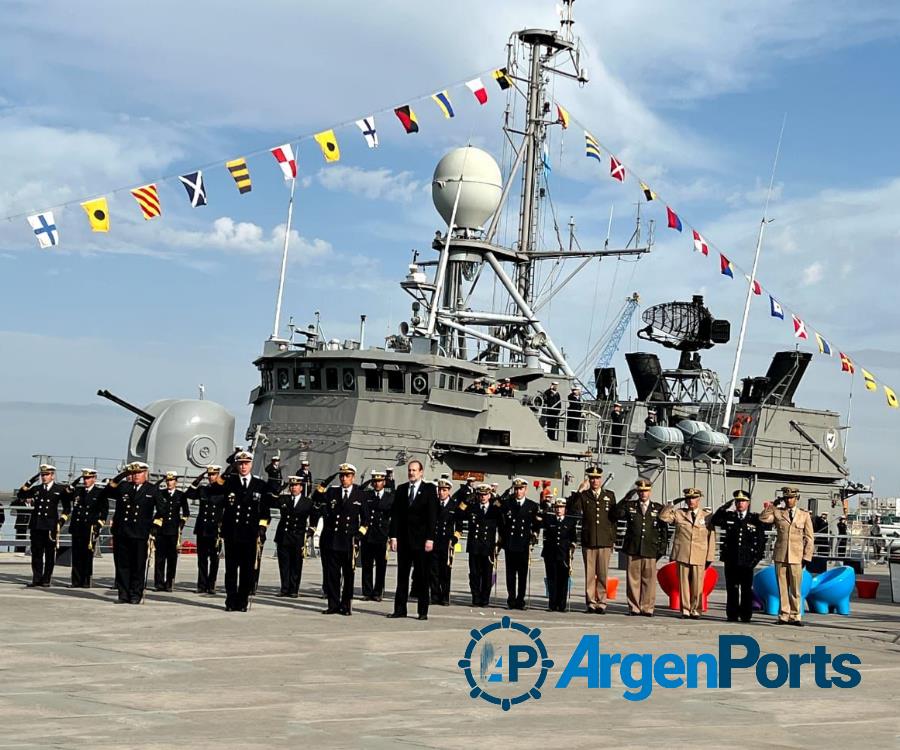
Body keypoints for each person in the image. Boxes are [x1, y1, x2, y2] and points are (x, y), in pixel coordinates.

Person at [216, 450, 273, 612]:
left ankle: (242, 601)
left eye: (246, 463)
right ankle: (230, 601)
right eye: (240, 464)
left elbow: (265, 511)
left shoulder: (259, 485)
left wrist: (262, 528)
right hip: (232, 533)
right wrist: (228, 470)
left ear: (251, 464)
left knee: (247, 570)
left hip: (250, 533)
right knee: (231, 570)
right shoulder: (230, 483)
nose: (243, 466)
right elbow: (215, 489)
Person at [102, 462, 164, 604]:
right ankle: (123, 594)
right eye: (134, 473)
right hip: (122, 532)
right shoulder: (124, 487)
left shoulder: (152, 489)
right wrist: (122, 475)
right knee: (122, 565)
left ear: (145, 474)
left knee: (138, 565)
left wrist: (155, 525)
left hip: (140, 533)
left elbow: (162, 510)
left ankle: (136, 594)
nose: (136, 475)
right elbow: (107, 491)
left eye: (139, 472)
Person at [314, 463, 368, 615]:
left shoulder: (360, 495)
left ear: (353, 477)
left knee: (348, 575)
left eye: (347, 476)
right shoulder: (332, 492)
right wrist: (325, 483)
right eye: (342, 476)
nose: (344, 479)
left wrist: (359, 534)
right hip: (331, 540)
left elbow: (365, 520)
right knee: (332, 575)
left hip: (349, 541)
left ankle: (346, 606)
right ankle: (333, 605)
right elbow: (316, 497)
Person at [388, 459, 438, 620]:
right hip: (404, 540)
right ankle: (399, 609)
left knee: (423, 577)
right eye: (410, 470)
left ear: (421, 472)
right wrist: (393, 536)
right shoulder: (402, 489)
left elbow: (432, 516)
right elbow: (395, 515)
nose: (411, 473)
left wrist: (430, 538)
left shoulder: (429, 489)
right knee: (402, 576)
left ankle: (422, 611)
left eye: (414, 470)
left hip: (422, 541)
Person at [759, 487, 815, 626]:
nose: (788, 500)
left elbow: (809, 538)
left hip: (797, 556)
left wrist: (807, 557)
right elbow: (763, 518)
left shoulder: (804, 515)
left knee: (796, 588)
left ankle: (796, 615)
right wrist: (773, 505)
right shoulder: (779, 513)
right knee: (782, 587)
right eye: (786, 498)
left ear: (797, 498)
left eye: (791, 498)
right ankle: (784, 615)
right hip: (781, 555)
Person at [708, 490, 766, 623]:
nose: (740, 504)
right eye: (738, 501)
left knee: (746, 590)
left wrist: (756, 559)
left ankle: (746, 615)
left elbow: (761, 540)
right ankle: (732, 614)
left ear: (748, 503)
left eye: (743, 501)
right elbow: (715, 520)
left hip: (747, 561)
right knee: (732, 589)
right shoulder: (730, 516)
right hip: (731, 559)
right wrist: (724, 507)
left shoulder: (754, 519)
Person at [612, 479, 668, 617]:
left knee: (649, 581)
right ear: (637, 492)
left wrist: (661, 549)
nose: (643, 494)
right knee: (633, 580)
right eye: (641, 491)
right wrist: (626, 498)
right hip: (633, 548)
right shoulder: (630, 506)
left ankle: (647, 607)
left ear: (650, 491)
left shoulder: (657, 508)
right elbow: (615, 514)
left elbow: (664, 531)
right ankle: (634, 607)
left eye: (646, 491)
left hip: (650, 549)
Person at [659, 488, 716, 619]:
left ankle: (696, 609)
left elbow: (711, 537)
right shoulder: (679, 513)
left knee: (697, 584)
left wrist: (710, 556)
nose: (691, 501)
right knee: (683, 584)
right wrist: (671, 504)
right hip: (683, 553)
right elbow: (663, 517)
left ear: (699, 499)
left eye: (694, 498)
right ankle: (685, 609)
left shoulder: (707, 516)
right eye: (688, 498)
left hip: (700, 554)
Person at [567, 465, 617, 614]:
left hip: (604, 540)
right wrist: (579, 490)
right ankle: (590, 602)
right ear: (589, 479)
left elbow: (613, 520)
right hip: (589, 540)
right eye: (592, 478)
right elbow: (573, 509)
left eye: (597, 478)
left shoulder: (610, 495)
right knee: (590, 574)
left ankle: (602, 602)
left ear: (601, 479)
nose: (594, 481)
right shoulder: (584, 496)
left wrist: (612, 539)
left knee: (602, 574)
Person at [17, 464, 72, 588]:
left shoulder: (60, 489)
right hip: (36, 525)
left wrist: (61, 521)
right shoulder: (36, 489)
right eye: (42, 475)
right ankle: (36, 578)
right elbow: (21, 494)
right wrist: (30, 481)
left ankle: (46, 579)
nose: (44, 477)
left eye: (46, 475)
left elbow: (67, 508)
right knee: (36, 554)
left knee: (49, 555)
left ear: (52, 475)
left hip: (50, 526)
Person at [499, 478, 540, 610]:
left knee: (522, 575)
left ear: (525, 490)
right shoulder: (507, 504)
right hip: (510, 544)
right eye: (516, 489)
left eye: (521, 489)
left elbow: (537, 524)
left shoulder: (532, 506)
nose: (518, 491)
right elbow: (499, 517)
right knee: (510, 575)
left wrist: (534, 535)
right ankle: (511, 599)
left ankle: (520, 600)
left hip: (523, 544)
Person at [185, 465, 225, 594]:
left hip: (215, 529)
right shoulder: (203, 489)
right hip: (202, 528)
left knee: (214, 559)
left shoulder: (222, 490)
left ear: (218, 475)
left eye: (213, 475)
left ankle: (211, 584)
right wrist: (198, 479)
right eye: (209, 475)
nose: (211, 477)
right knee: (202, 559)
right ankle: (201, 585)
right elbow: (189, 494)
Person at [274, 476, 315, 597]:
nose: (293, 488)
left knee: (296, 564)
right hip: (284, 535)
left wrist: (311, 529)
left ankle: (294, 589)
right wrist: (280, 488)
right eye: (291, 486)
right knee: (284, 564)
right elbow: (270, 500)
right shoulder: (283, 499)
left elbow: (315, 515)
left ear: (301, 488)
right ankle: (284, 588)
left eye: (296, 485)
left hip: (298, 536)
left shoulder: (307, 502)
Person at [67, 468, 108, 588]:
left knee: (87, 556)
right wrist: (74, 483)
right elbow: (66, 494)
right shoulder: (78, 491)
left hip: (90, 529)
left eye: (88, 478)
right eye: (84, 478)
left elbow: (104, 511)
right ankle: (75, 581)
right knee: (76, 556)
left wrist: (99, 525)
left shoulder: (99, 492)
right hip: (77, 527)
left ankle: (85, 581)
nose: (86, 480)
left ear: (94, 478)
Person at [539, 497, 578, 612]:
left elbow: (573, 538)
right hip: (550, 554)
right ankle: (552, 604)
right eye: (557, 507)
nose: (559, 510)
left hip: (564, 554)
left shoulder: (569, 521)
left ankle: (562, 605)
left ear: (565, 509)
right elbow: (538, 518)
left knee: (563, 580)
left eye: (561, 507)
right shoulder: (549, 520)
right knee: (552, 580)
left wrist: (572, 546)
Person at [465, 484, 501, 607]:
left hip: (488, 547)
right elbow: (459, 513)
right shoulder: (472, 507)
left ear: (489, 495)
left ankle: (485, 598)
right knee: (474, 574)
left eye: (485, 494)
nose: (483, 497)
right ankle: (475, 597)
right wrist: (466, 500)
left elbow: (503, 520)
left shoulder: (494, 509)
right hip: (474, 546)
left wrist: (499, 543)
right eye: (480, 495)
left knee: (487, 574)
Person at [360, 469, 394, 601]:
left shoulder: (390, 497)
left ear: (384, 482)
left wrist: (391, 536)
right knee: (367, 565)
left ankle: (378, 591)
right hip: (368, 534)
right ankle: (367, 592)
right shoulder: (367, 496)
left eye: (379, 481)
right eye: (374, 481)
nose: (376, 484)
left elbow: (393, 517)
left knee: (381, 566)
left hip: (381, 535)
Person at [430, 478, 464, 606]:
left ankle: (444, 596)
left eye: (444, 490)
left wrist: (454, 539)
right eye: (439, 490)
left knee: (445, 571)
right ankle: (434, 595)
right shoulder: (433, 504)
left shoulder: (454, 506)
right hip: (434, 541)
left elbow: (459, 527)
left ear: (449, 491)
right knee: (433, 571)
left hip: (447, 542)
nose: (441, 493)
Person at [154, 472, 190, 592]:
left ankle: (169, 583)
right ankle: (159, 583)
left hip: (174, 530)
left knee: (171, 558)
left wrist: (182, 524)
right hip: (161, 529)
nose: (169, 483)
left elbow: (186, 512)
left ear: (176, 482)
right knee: (159, 558)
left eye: (171, 480)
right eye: (167, 480)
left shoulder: (181, 495)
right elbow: (154, 489)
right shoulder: (161, 493)